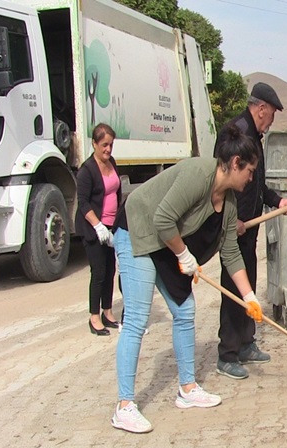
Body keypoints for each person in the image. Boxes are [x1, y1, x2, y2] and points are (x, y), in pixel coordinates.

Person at [110, 125, 265, 433]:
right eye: (249, 171)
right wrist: (183, 255)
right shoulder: (198, 174)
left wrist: (249, 297)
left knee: (185, 311)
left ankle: (187, 390)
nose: (251, 178)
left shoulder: (230, 202)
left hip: (165, 241)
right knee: (138, 318)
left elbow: (231, 253)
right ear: (235, 163)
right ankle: (124, 407)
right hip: (138, 230)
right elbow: (162, 218)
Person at [214, 82, 287, 380]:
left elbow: (257, 185)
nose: (271, 121)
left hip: (250, 227)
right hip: (235, 227)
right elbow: (221, 179)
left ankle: (246, 343)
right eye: (271, 115)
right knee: (234, 289)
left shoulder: (255, 136)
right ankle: (227, 354)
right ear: (261, 108)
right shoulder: (234, 132)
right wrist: (229, 219)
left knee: (248, 283)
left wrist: (278, 200)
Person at [76, 123, 121, 336]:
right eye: (104, 145)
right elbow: (83, 203)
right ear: (94, 144)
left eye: (111, 145)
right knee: (99, 272)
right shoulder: (86, 171)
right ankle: (94, 317)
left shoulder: (111, 163)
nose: (108, 150)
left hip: (111, 226)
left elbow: (116, 192)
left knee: (111, 270)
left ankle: (108, 312)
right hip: (94, 229)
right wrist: (98, 226)